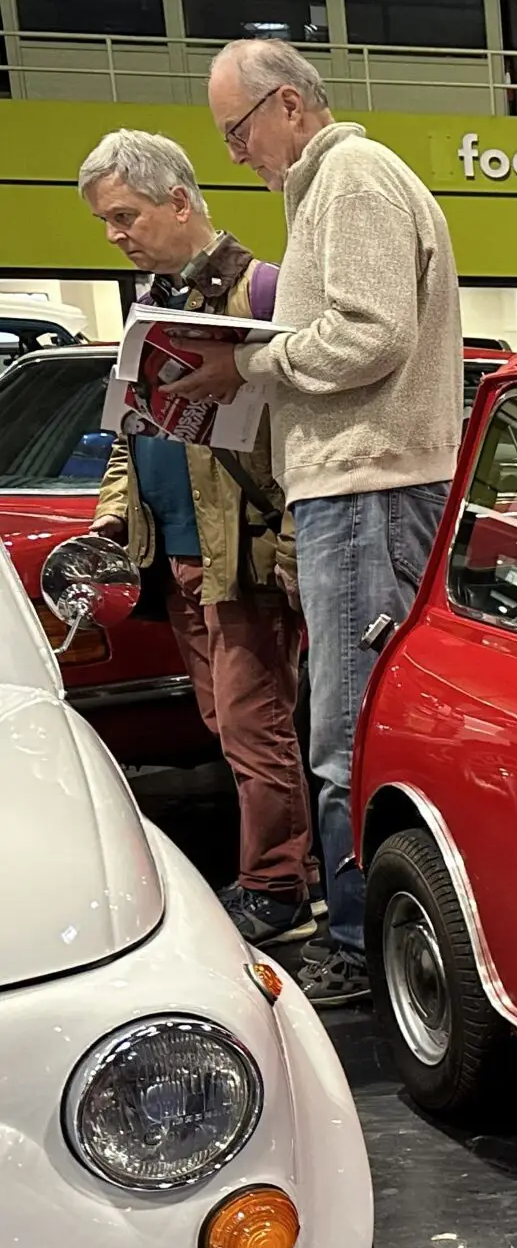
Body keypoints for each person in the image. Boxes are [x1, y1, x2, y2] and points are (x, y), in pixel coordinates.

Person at [167, 38, 462, 1008]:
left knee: (348, 735)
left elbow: (371, 336)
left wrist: (250, 366)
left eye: (236, 131)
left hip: (370, 489)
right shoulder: (335, 188)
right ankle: (369, 924)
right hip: (354, 490)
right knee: (351, 725)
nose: (236, 154)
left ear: (288, 106)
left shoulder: (353, 180)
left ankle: (353, 934)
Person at [80, 128, 313, 948]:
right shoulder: (152, 302)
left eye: (125, 214)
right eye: (108, 221)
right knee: (227, 724)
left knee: (255, 728)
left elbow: (307, 434)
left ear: (179, 201)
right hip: (175, 551)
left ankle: (279, 887)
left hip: (240, 552)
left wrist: (290, 542)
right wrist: (115, 513)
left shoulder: (266, 293)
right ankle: (286, 873)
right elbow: (127, 429)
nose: (115, 232)